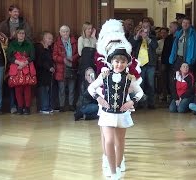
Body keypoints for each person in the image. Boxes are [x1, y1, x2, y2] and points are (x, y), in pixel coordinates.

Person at [88, 19, 144, 180]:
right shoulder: (100, 52)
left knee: (119, 139)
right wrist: (98, 95)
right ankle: (107, 157)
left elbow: (135, 76)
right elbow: (94, 73)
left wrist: (132, 95)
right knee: (106, 135)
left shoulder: (126, 53)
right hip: (104, 97)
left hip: (123, 99)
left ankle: (118, 161)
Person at [7, 28, 35, 115]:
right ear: (16, 34)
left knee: (27, 89)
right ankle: (19, 107)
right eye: (19, 33)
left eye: (23, 33)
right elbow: (9, 57)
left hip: (27, 67)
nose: (21, 35)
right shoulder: (12, 44)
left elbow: (33, 56)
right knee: (18, 89)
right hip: (16, 68)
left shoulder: (29, 44)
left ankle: (27, 108)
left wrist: (25, 63)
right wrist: (18, 62)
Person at [131, 21, 158, 109]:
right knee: (139, 84)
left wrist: (147, 38)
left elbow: (155, 46)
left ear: (149, 29)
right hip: (139, 65)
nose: (145, 28)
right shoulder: (137, 38)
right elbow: (131, 45)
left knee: (151, 84)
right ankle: (139, 102)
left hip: (150, 64)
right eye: (143, 26)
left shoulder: (153, 37)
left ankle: (151, 103)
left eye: (147, 27)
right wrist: (137, 36)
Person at [53, 25, 79, 112]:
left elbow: (78, 53)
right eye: (63, 31)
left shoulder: (74, 42)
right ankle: (62, 106)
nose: (65, 33)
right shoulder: (57, 43)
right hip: (61, 69)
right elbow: (54, 56)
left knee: (72, 89)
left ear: (69, 32)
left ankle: (71, 105)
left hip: (72, 67)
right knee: (62, 89)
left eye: (67, 31)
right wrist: (63, 59)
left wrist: (73, 58)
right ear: (60, 33)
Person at [34, 31, 55, 114]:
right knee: (43, 90)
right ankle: (44, 107)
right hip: (41, 73)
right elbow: (40, 61)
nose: (51, 40)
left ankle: (48, 106)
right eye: (49, 38)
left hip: (48, 73)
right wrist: (49, 67)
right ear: (43, 38)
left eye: (52, 39)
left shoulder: (48, 48)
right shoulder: (39, 47)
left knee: (48, 89)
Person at [161, 21, 179, 103]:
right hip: (168, 63)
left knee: (176, 80)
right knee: (169, 80)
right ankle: (171, 96)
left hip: (177, 61)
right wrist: (163, 63)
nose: (170, 28)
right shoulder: (168, 38)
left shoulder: (179, 36)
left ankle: (176, 97)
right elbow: (164, 52)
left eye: (171, 27)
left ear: (175, 28)